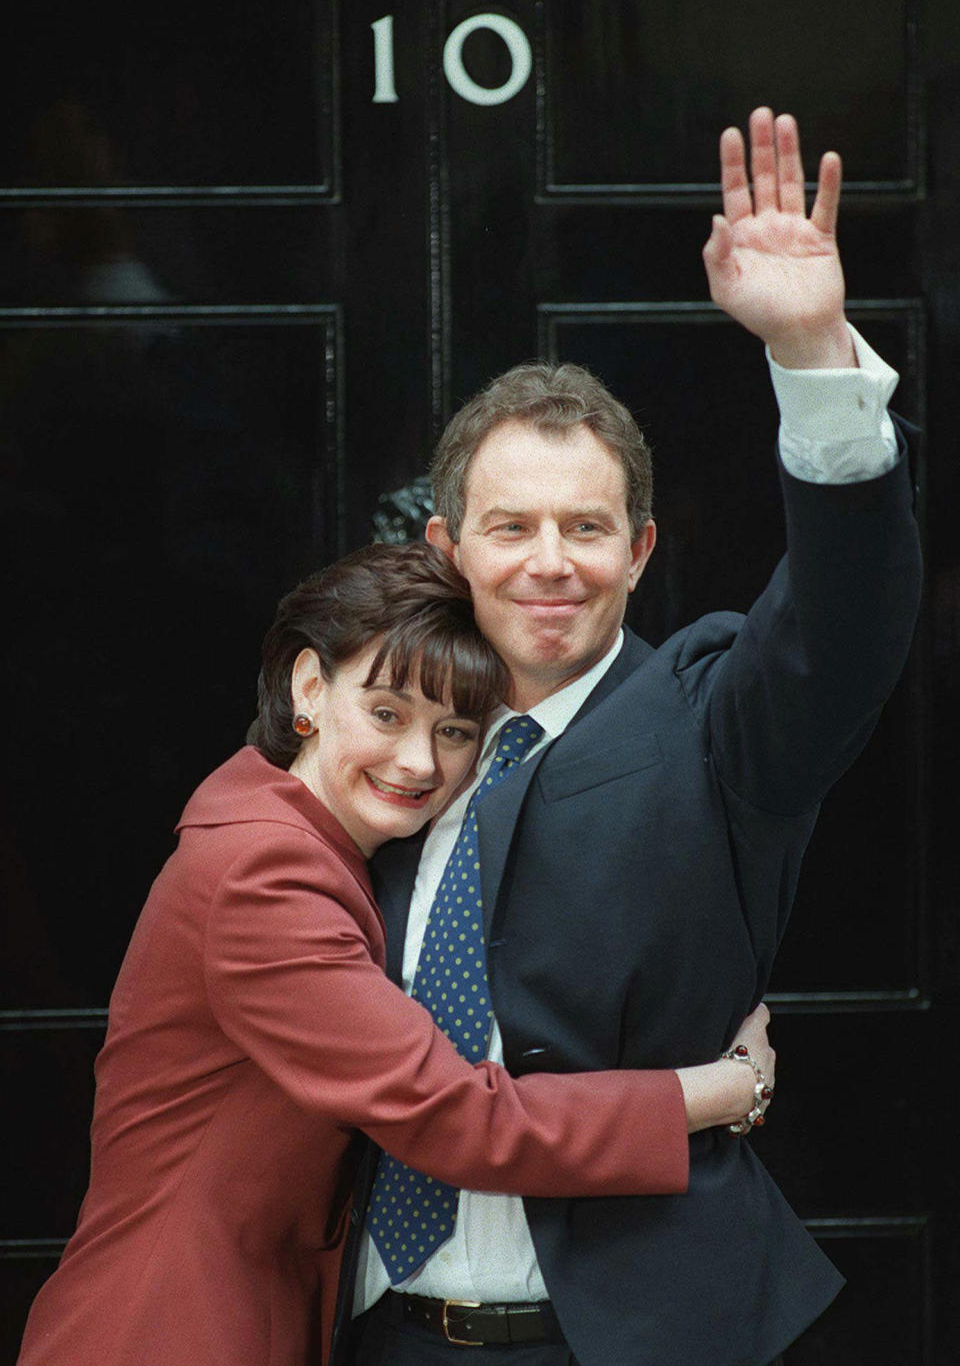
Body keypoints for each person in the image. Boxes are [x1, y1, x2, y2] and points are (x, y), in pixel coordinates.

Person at [338, 110, 923, 1366]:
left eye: (589, 529)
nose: (552, 563)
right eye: (511, 529)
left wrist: (813, 350)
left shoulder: (714, 720)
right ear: (449, 553)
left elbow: (844, 630)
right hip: (376, 1326)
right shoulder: (378, 750)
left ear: (641, 550)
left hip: (632, 1335)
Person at [15, 542, 774, 1366]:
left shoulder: (318, 843)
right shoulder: (263, 875)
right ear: (309, 688)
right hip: (168, 1327)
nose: (419, 761)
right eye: (386, 712)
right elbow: (459, 1118)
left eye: (453, 730)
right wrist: (723, 1088)